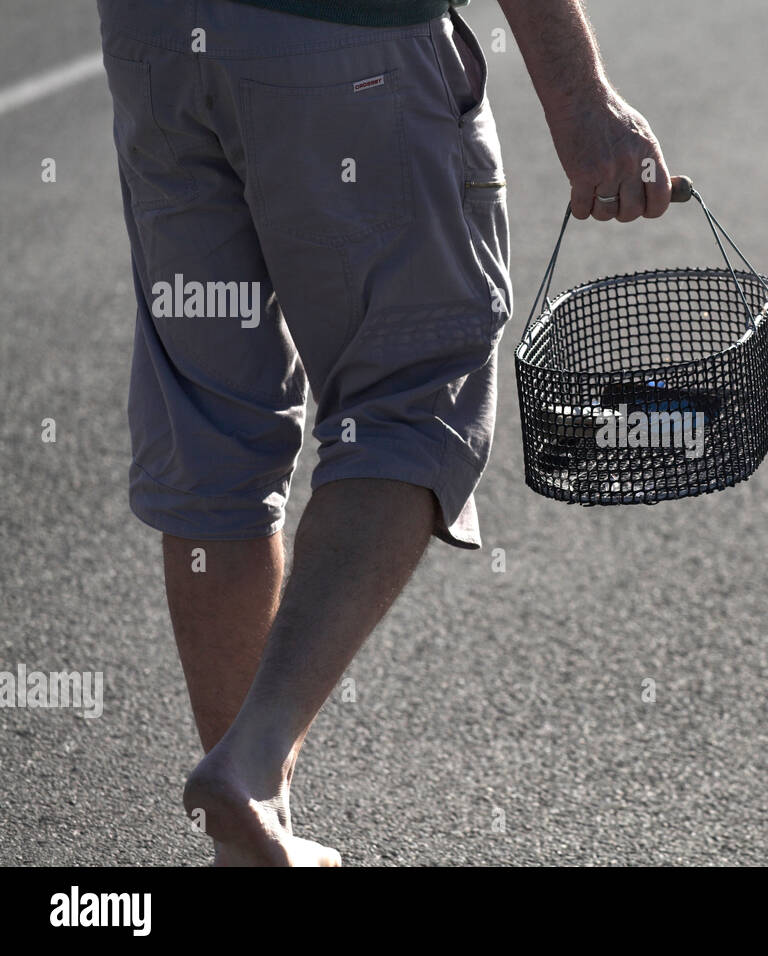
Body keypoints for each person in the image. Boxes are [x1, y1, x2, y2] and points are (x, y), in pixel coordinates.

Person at [97, 0, 672, 865]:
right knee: (411, 400)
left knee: (213, 425)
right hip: (346, 45)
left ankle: (253, 826)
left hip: (155, 39)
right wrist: (580, 95)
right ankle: (250, 768)